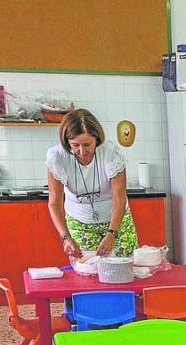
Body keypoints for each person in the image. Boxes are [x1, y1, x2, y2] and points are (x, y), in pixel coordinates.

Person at [46, 109, 138, 259]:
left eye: (87, 144)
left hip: (116, 221)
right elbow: (54, 203)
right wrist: (65, 237)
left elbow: (119, 199)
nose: (82, 151)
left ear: (97, 139)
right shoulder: (57, 157)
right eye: (75, 145)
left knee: (125, 266)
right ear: (66, 142)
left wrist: (111, 233)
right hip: (80, 221)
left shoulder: (110, 153)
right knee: (90, 269)